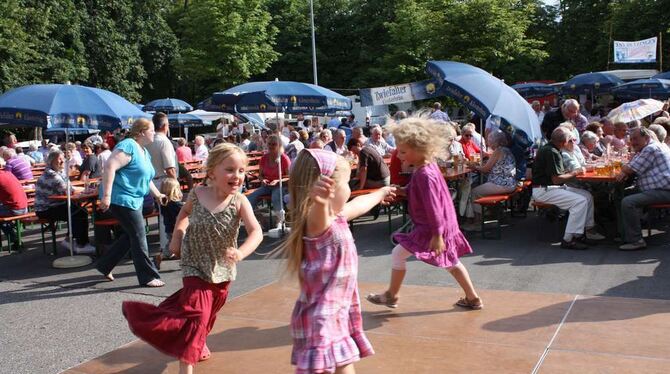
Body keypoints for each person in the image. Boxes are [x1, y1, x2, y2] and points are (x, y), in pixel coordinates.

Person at [122, 143, 263, 374]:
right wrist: (177, 237)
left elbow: (256, 231)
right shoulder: (197, 194)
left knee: (207, 315)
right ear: (212, 172)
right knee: (196, 316)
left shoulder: (239, 201)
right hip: (193, 265)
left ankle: (198, 341)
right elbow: (184, 214)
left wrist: (240, 252)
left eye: (241, 171)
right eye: (230, 170)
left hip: (222, 271)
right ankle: (186, 366)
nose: (236, 176)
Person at [273, 149, 395, 374]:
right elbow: (319, 216)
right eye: (347, 183)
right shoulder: (317, 222)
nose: (350, 190)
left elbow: (359, 204)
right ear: (328, 188)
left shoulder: (337, 217)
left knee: (344, 363)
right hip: (322, 316)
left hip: (338, 309)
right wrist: (319, 202)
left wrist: (381, 192)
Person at [366, 115, 482, 310]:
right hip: (443, 226)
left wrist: (437, 235)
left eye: (403, 152)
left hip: (432, 229)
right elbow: (424, 193)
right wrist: (404, 190)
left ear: (419, 150)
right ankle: (472, 297)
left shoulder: (424, 174)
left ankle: (391, 295)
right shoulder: (428, 167)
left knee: (398, 254)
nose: (399, 155)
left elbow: (433, 205)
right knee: (451, 262)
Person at [95, 118, 167, 287]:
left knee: (131, 235)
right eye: (151, 130)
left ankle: (105, 265)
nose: (154, 133)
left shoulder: (144, 151)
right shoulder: (128, 145)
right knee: (139, 235)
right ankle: (148, 276)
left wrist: (157, 194)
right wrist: (106, 196)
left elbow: (146, 177)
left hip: (135, 199)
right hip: (121, 198)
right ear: (141, 132)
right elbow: (110, 167)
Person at [531, 127, 605, 250]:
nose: (574, 142)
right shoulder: (552, 152)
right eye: (571, 140)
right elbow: (557, 179)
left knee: (587, 196)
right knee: (579, 202)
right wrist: (575, 172)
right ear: (564, 141)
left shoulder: (552, 149)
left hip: (550, 188)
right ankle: (569, 239)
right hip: (544, 190)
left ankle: (583, 233)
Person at [615, 127, 670, 250]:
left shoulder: (651, 148)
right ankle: (624, 233)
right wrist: (627, 168)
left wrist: (625, 169)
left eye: (635, 139)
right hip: (658, 188)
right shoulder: (652, 146)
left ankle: (636, 240)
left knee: (628, 201)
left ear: (646, 138)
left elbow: (629, 169)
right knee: (620, 194)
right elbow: (632, 166)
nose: (633, 142)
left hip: (664, 191)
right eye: (631, 140)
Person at [34, 150, 94, 253]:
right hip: (45, 209)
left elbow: (70, 188)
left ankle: (70, 240)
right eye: (59, 159)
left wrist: (86, 190)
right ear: (51, 161)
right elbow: (69, 191)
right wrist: (87, 190)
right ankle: (81, 244)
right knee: (79, 212)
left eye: (63, 158)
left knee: (79, 210)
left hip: (56, 204)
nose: (62, 161)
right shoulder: (52, 175)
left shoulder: (59, 172)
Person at [463, 130, 517, 231]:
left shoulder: (498, 151)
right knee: (479, 188)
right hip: (510, 182)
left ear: (495, 141)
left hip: (501, 184)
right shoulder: (506, 150)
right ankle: (486, 215)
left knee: (474, 192)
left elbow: (485, 169)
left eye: (489, 141)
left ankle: (478, 222)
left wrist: (473, 166)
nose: (488, 143)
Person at [147, 112, 178, 257]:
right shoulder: (164, 141)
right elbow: (170, 168)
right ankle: (173, 247)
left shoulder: (148, 140)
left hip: (153, 182)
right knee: (176, 216)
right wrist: (176, 183)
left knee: (166, 217)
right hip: (166, 182)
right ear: (165, 126)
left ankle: (167, 248)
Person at [246, 135, 290, 227]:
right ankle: (260, 218)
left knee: (275, 196)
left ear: (279, 145)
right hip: (267, 186)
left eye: (274, 144)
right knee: (249, 198)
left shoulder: (284, 158)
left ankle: (280, 220)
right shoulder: (264, 158)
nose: (271, 146)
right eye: (269, 144)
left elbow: (290, 176)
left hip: (281, 185)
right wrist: (263, 180)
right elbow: (260, 175)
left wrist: (278, 181)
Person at [154, 177, 184, 269]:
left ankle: (160, 256)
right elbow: (183, 210)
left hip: (169, 228)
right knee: (182, 245)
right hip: (176, 228)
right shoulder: (175, 204)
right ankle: (184, 262)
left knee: (171, 245)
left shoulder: (164, 202)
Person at [0, 169, 29, 251]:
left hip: (15, 209)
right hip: (24, 207)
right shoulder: (8, 173)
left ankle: (15, 240)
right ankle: (15, 239)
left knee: (2, 220)